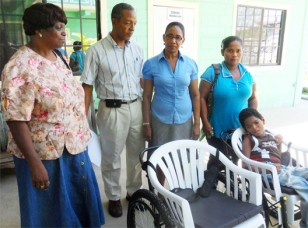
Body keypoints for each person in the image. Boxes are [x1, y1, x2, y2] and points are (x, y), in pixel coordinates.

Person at [0, 3, 104, 227]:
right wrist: (34, 164)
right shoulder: (19, 66)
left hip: (74, 148)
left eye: (64, 26)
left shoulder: (59, 57)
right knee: (51, 215)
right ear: (39, 31)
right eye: (59, 27)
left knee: (77, 206)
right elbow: (16, 119)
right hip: (44, 156)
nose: (64, 32)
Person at [80, 3, 145, 218]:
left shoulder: (137, 49)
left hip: (135, 107)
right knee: (112, 157)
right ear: (115, 21)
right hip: (111, 110)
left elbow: (140, 80)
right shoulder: (97, 50)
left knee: (136, 155)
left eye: (134, 24)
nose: (132, 27)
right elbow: (87, 85)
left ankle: (133, 193)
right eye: (128, 23)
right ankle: (114, 196)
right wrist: (82, 116)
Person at [239, 107, 308, 228]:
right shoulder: (249, 139)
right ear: (246, 129)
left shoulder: (271, 135)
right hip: (268, 174)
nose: (254, 127)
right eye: (249, 126)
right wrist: (266, 168)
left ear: (263, 120)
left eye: (256, 123)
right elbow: (244, 164)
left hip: (284, 169)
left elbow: (277, 157)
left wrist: (278, 143)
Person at [142, 21, 200, 183]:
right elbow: (146, 96)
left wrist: (196, 123)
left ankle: (175, 191)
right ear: (164, 37)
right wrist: (146, 123)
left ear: (183, 41)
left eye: (178, 37)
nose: (173, 41)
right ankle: (159, 197)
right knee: (159, 158)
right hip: (159, 119)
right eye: (170, 36)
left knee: (180, 158)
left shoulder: (190, 64)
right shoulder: (151, 64)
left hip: (184, 120)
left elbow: (195, 95)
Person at [199, 35, 257, 166]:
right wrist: (205, 122)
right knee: (216, 163)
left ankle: (230, 186)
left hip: (241, 129)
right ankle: (210, 186)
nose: (234, 54)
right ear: (222, 52)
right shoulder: (213, 72)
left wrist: (253, 120)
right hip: (217, 130)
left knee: (235, 162)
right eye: (230, 50)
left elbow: (253, 98)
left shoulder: (248, 73)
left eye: (238, 51)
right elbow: (201, 97)